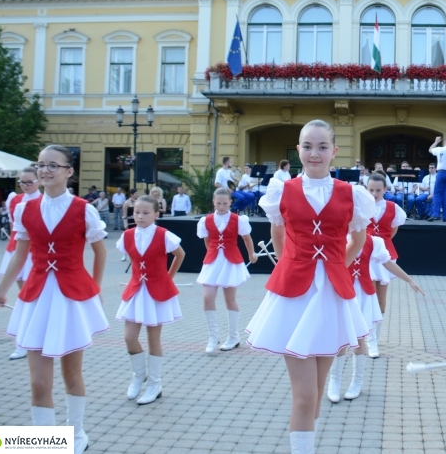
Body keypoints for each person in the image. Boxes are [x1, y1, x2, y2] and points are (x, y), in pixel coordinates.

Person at [245, 119, 375, 454]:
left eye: (321, 147)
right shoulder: (281, 190)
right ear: (298, 149)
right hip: (294, 297)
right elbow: (278, 235)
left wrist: (334, 268)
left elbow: (358, 240)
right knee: (304, 395)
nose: (313, 153)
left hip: (331, 297)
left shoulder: (352, 194)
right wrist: (292, 263)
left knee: (315, 391)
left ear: (335, 151)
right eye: (306, 146)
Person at [0, 145, 108, 454]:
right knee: (39, 382)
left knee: (71, 374)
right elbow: (20, 254)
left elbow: (100, 250)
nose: (45, 170)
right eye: (41, 165)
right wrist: (2, 289)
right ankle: (47, 445)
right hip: (38, 296)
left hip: (71, 297)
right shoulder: (24, 209)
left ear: (69, 171)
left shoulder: (84, 208)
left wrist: (95, 288)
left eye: (53, 165)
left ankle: (77, 433)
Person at [327, 232, 424, 403]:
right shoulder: (335, 237)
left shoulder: (374, 241)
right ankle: (334, 382)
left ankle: (356, 382)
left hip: (363, 294)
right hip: (341, 291)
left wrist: (408, 280)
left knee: (359, 338)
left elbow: (387, 263)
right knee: (340, 338)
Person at [116, 195, 185, 405]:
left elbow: (180, 255)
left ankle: (155, 384)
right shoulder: (127, 236)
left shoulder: (164, 235)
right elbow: (134, 259)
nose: (140, 216)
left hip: (157, 292)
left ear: (156, 214)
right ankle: (139, 375)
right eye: (137, 212)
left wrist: (168, 277)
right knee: (129, 336)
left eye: (146, 213)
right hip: (137, 290)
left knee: (153, 339)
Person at [197, 187, 257, 353]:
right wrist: (212, 252)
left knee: (230, 299)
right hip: (213, 260)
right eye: (218, 203)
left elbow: (246, 238)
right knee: (207, 297)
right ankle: (213, 336)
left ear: (230, 202)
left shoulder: (238, 219)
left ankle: (233, 336)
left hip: (231, 260)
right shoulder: (206, 220)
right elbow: (207, 240)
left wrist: (251, 254)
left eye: (225, 203)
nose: (221, 206)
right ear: (213, 202)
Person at [0, 167, 42, 360]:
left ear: (38, 181)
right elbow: (13, 227)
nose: (25, 186)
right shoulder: (14, 200)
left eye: (29, 182)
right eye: (22, 182)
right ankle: (23, 341)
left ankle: (34, 337)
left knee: (33, 296)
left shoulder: (44, 201)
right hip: (18, 249)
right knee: (23, 295)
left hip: (37, 253)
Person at [365, 172, 407, 358]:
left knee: (381, 299)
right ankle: (370, 340)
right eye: (371, 190)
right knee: (369, 296)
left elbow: (393, 229)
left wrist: (382, 242)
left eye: (378, 190)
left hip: (385, 255)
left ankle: (376, 338)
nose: (374, 194)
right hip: (365, 255)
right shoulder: (360, 206)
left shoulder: (393, 208)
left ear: (385, 190)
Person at [121, 189, 139, 262]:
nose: (137, 195)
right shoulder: (126, 202)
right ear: (131, 194)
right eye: (136, 193)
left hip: (136, 222)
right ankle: (124, 254)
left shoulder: (138, 202)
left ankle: (134, 254)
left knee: (136, 239)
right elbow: (124, 214)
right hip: (129, 222)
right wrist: (125, 223)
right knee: (127, 239)